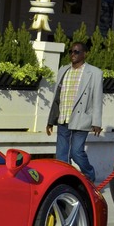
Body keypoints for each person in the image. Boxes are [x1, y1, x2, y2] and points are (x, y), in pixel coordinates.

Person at [46, 42, 103, 183]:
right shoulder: (63, 70)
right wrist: (50, 120)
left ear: (84, 54)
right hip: (63, 117)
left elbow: (97, 98)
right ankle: (66, 181)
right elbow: (56, 97)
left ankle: (90, 176)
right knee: (61, 155)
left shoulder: (94, 72)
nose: (73, 54)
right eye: (71, 51)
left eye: (77, 52)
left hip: (81, 118)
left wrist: (96, 122)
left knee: (76, 152)